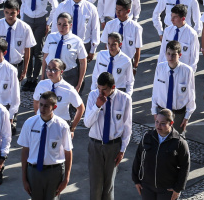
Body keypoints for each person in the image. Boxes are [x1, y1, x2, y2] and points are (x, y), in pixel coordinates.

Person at [83, 72, 133, 200]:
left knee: (109, 184)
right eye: (99, 88)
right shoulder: (93, 96)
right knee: (95, 184)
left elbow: (127, 127)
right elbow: (87, 123)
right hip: (96, 145)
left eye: (104, 89)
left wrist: (122, 150)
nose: (100, 92)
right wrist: (97, 106)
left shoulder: (124, 99)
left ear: (113, 87)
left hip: (113, 146)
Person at [18, 90, 72, 200]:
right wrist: (24, 178)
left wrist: (66, 178)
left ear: (54, 107)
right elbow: (25, 151)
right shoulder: (30, 123)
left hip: (54, 172)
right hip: (34, 172)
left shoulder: (62, 126)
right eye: (41, 105)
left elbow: (68, 152)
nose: (42, 109)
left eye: (46, 106)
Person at [131, 109, 190, 200]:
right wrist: (136, 180)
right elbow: (138, 158)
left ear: (171, 123)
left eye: (162, 123)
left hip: (167, 189)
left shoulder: (179, 142)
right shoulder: (147, 137)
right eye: (156, 122)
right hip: (147, 187)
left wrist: (178, 189)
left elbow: (185, 166)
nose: (158, 126)